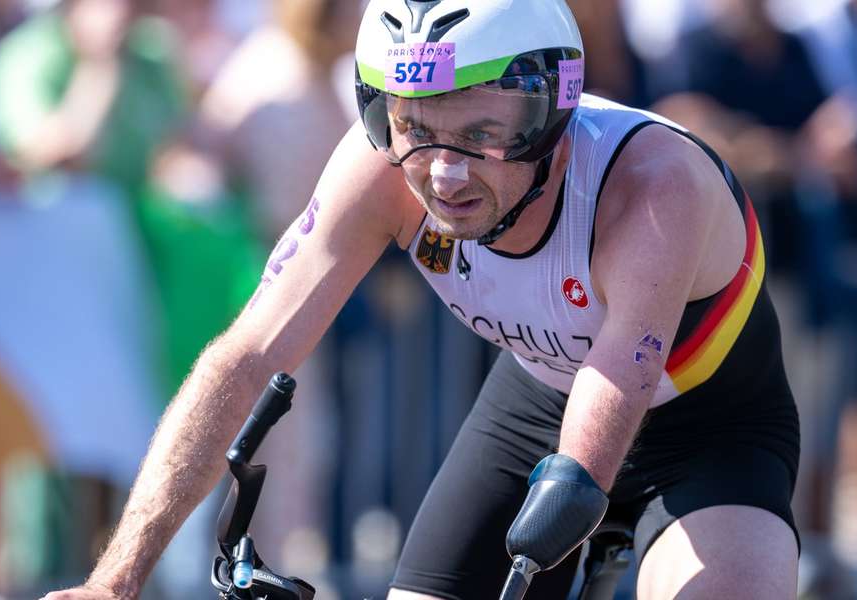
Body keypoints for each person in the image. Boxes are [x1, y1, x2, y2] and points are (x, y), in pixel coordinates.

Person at [43, 1, 800, 599]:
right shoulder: (378, 167)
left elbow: (612, 397)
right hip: (537, 402)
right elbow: (245, 358)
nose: (442, 173)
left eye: (477, 131)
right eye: (412, 126)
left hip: (706, 427)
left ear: (551, 112)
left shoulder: (653, 184)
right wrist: (115, 578)